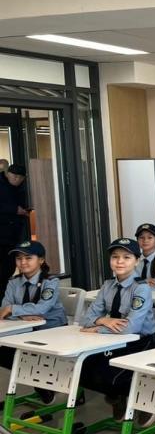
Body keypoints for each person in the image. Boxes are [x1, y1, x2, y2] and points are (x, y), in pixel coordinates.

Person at [79, 238, 155, 424]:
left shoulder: (141, 288)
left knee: (109, 374)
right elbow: (86, 318)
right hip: (114, 338)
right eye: (115, 257)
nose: (120, 261)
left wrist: (97, 329)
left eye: (126, 257)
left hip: (142, 340)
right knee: (84, 368)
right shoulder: (107, 285)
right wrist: (103, 320)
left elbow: (131, 327)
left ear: (137, 261)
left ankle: (145, 399)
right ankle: (118, 397)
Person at [0, 240, 67, 404]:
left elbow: (42, 308)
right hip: (25, 330)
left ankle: (44, 385)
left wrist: (14, 309)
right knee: (4, 352)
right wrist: (21, 315)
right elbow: (3, 309)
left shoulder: (50, 281)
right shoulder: (13, 282)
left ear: (41, 260)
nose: (23, 262)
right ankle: (39, 383)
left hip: (51, 331)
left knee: (28, 352)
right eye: (19, 258)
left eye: (28, 258)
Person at [0, 165, 30, 294]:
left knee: (9, 267)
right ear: (8, 174)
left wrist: (23, 210)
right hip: (2, 233)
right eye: (15, 176)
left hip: (13, 235)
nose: (17, 180)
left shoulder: (21, 187)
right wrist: (14, 209)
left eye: (20, 178)